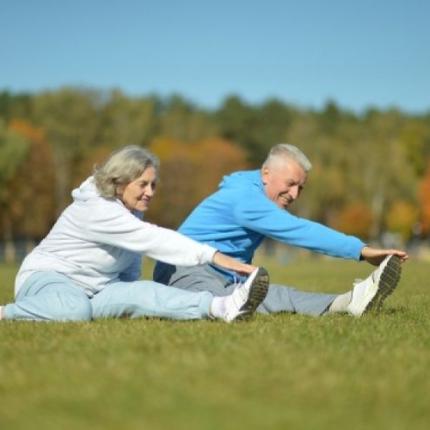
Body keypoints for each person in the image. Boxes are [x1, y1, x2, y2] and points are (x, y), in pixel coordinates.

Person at [0, 146, 270, 323]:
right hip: (48, 280)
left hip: (95, 291)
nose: (150, 192)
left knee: (143, 292)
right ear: (119, 182)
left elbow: (131, 262)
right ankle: (6, 313)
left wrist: (131, 292)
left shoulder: (131, 212)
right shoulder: (97, 208)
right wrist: (214, 256)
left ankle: (222, 307)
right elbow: (153, 239)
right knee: (74, 309)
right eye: (143, 184)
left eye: (153, 185)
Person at [154, 143, 408, 317]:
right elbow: (300, 231)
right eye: (290, 184)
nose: (295, 194)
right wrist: (362, 251)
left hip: (222, 275)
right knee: (246, 300)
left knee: (259, 296)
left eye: (301, 188)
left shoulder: (252, 192)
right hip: (185, 273)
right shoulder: (246, 199)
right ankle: (347, 302)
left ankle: (348, 302)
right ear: (266, 174)